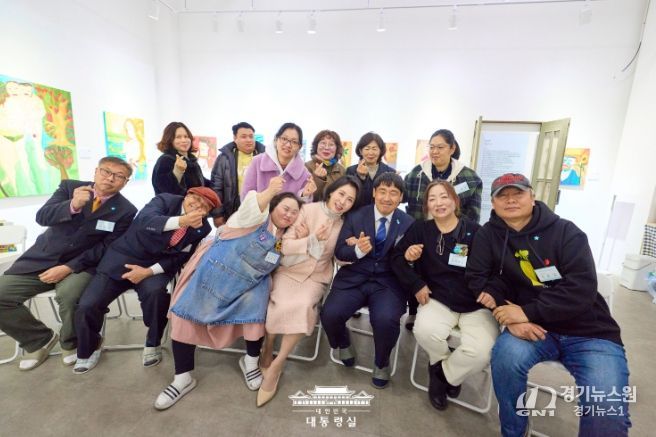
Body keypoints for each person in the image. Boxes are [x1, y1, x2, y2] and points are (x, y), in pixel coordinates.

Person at [465, 173, 631, 437]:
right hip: (532, 328)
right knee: (505, 360)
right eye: (502, 196)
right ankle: (515, 431)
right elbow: (479, 280)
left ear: (532, 197)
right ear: (493, 204)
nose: (510, 200)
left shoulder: (566, 232)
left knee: (606, 411)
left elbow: (581, 289)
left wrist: (524, 312)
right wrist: (508, 316)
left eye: (517, 193)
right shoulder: (488, 235)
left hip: (589, 332)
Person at [153, 177, 302, 410]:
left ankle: (250, 362)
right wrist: (270, 190)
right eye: (286, 208)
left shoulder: (283, 238)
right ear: (273, 205)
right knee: (185, 313)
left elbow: (285, 259)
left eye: (294, 212)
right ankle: (182, 377)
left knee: (256, 306)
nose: (289, 215)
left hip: (249, 284)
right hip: (214, 273)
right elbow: (254, 204)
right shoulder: (252, 218)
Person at [0, 157, 137, 370]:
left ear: (125, 182)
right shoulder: (69, 187)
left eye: (119, 176)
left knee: (70, 296)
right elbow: (42, 217)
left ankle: (71, 342)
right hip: (41, 259)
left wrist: (68, 267)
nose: (110, 178)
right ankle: (38, 340)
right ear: (96, 171)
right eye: (106, 171)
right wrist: (72, 205)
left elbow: (107, 247)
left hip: (82, 265)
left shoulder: (126, 210)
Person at [72, 187, 219, 374]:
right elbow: (145, 221)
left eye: (205, 206)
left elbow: (180, 257)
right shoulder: (165, 200)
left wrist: (148, 272)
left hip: (154, 267)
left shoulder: (202, 228)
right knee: (88, 304)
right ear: (187, 195)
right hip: (122, 259)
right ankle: (89, 347)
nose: (198, 206)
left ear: (207, 213)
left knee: (157, 295)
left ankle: (153, 342)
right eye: (196, 199)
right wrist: (182, 221)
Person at [391, 180, 498, 410]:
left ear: (455, 201)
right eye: (432, 199)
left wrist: (491, 294)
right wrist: (416, 282)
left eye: (444, 197)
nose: (438, 203)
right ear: (427, 206)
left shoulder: (475, 232)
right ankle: (448, 369)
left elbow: (494, 270)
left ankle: (443, 374)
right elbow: (396, 258)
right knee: (424, 331)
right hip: (438, 299)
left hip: (475, 304)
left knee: (483, 352)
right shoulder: (421, 229)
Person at [258, 176, 360, 407]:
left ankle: (277, 363)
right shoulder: (306, 209)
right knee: (279, 304)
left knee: (303, 307)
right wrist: (311, 240)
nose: (343, 202)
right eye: (341, 194)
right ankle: (268, 345)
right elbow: (282, 245)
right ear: (331, 192)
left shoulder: (346, 224)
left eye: (350, 200)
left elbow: (338, 258)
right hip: (289, 270)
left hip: (316, 277)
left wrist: (353, 250)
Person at [320, 172, 414, 389]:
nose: (387, 198)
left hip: (388, 283)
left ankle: (381, 362)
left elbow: (410, 262)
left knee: (386, 320)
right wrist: (357, 250)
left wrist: (409, 259)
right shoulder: (355, 216)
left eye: (393, 193)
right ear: (374, 193)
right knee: (330, 314)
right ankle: (343, 342)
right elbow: (340, 251)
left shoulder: (408, 223)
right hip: (354, 277)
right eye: (382, 191)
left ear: (401, 197)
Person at [403, 128, 483, 330]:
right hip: (422, 233)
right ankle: (414, 311)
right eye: (432, 147)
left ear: (452, 148)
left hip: (455, 236)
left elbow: (473, 213)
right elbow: (402, 199)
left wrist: (456, 231)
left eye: (440, 147)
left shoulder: (468, 177)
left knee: (451, 270)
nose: (435, 152)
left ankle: (451, 308)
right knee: (417, 268)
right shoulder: (417, 174)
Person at [241, 122, 316, 201]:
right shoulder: (257, 162)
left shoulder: (304, 174)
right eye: (284, 139)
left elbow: (304, 206)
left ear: (299, 147)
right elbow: (245, 198)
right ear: (276, 140)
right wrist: (269, 192)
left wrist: (304, 195)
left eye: (294, 142)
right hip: (260, 209)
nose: (288, 145)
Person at [210, 122, 265, 227]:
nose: (249, 140)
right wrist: (217, 214)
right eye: (244, 137)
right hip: (232, 210)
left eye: (251, 136)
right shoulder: (224, 158)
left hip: (258, 210)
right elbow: (216, 187)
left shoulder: (265, 157)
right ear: (235, 138)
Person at [152, 121, 210, 196]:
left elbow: (202, 182)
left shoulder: (192, 161)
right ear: (170, 140)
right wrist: (177, 172)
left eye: (186, 136)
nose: (184, 140)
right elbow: (164, 190)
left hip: (196, 203)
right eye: (178, 137)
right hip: (178, 203)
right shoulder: (165, 160)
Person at [345, 132, 395, 208]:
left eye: (374, 149)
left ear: (380, 151)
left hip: (380, 212)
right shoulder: (351, 170)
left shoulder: (390, 172)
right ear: (360, 151)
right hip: (357, 212)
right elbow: (349, 195)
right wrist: (360, 177)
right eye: (367, 149)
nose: (370, 153)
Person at [304, 129, 346, 202]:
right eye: (323, 143)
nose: (326, 148)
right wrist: (318, 179)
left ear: (337, 149)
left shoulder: (342, 170)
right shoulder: (306, 167)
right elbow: (305, 198)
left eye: (331, 144)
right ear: (316, 146)